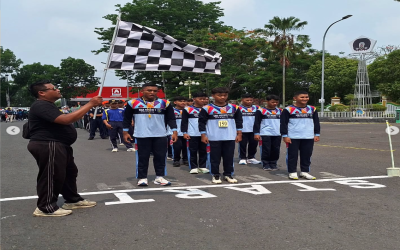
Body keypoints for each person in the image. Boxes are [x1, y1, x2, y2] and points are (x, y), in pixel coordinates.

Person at [27, 79, 102, 217]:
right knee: (51, 175)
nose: (57, 90)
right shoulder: (41, 105)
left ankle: (72, 199)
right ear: (42, 93)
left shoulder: (48, 105)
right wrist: (90, 104)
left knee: (68, 173)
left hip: (59, 144)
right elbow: (66, 120)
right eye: (53, 88)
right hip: (48, 144)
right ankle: (45, 207)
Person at [123, 83, 178, 186]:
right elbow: (127, 118)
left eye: (154, 91)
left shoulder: (165, 103)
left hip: (161, 134)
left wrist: (174, 131)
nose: (152, 92)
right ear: (142, 91)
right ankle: (142, 177)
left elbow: (171, 118)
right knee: (142, 157)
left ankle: (160, 177)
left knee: (161, 156)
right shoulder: (132, 103)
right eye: (149, 90)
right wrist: (125, 132)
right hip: (141, 134)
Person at [199, 87, 243, 184]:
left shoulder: (234, 108)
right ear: (213, 96)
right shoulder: (207, 108)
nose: (222, 97)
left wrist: (239, 133)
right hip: (214, 137)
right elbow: (201, 122)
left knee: (229, 157)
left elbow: (239, 121)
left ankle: (228, 174)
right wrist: (203, 135)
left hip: (229, 136)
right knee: (215, 158)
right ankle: (215, 175)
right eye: (219, 95)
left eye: (225, 95)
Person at [280, 91, 320, 180]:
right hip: (293, 136)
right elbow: (283, 123)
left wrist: (317, 134)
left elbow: (316, 122)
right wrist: (285, 135)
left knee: (307, 155)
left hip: (308, 136)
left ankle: (304, 172)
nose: (305, 99)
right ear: (295, 98)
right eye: (302, 97)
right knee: (292, 155)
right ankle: (292, 172)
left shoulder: (312, 109)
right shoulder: (288, 109)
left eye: (306, 97)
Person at [181, 92, 209, 174]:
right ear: (194, 99)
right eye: (200, 99)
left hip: (205, 134)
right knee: (192, 150)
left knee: (204, 150)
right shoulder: (187, 109)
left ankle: (203, 166)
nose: (202, 100)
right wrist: (184, 132)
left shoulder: (208, 108)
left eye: (204, 99)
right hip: (192, 134)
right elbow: (184, 122)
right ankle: (193, 167)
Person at [254, 95, 282, 171]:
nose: (274, 103)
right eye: (272, 102)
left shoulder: (280, 111)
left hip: (277, 133)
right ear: (267, 102)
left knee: (276, 149)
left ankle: (273, 163)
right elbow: (257, 123)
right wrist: (256, 133)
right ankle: (266, 164)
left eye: (276, 102)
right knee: (266, 149)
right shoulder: (261, 111)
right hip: (265, 133)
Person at [238, 94, 262, 165]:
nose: (249, 101)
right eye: (247, 100)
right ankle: (242, 158)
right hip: (243, 129)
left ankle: (251, 157)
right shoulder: (238, 108)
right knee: (243, 144)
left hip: (254, 130)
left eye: (250, 100)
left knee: (253, 144)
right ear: (242, 100)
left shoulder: (257, 108)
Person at [171, 96, 188, 167]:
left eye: (184, 101)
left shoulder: (188, 110)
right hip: (176, 132)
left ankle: (185, 159)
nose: (183, 102)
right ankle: (176, 160)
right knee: (177, 147)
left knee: (186, 147)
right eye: (180, 101)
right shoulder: (172, 111)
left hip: (186, 132)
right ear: (175, 102)